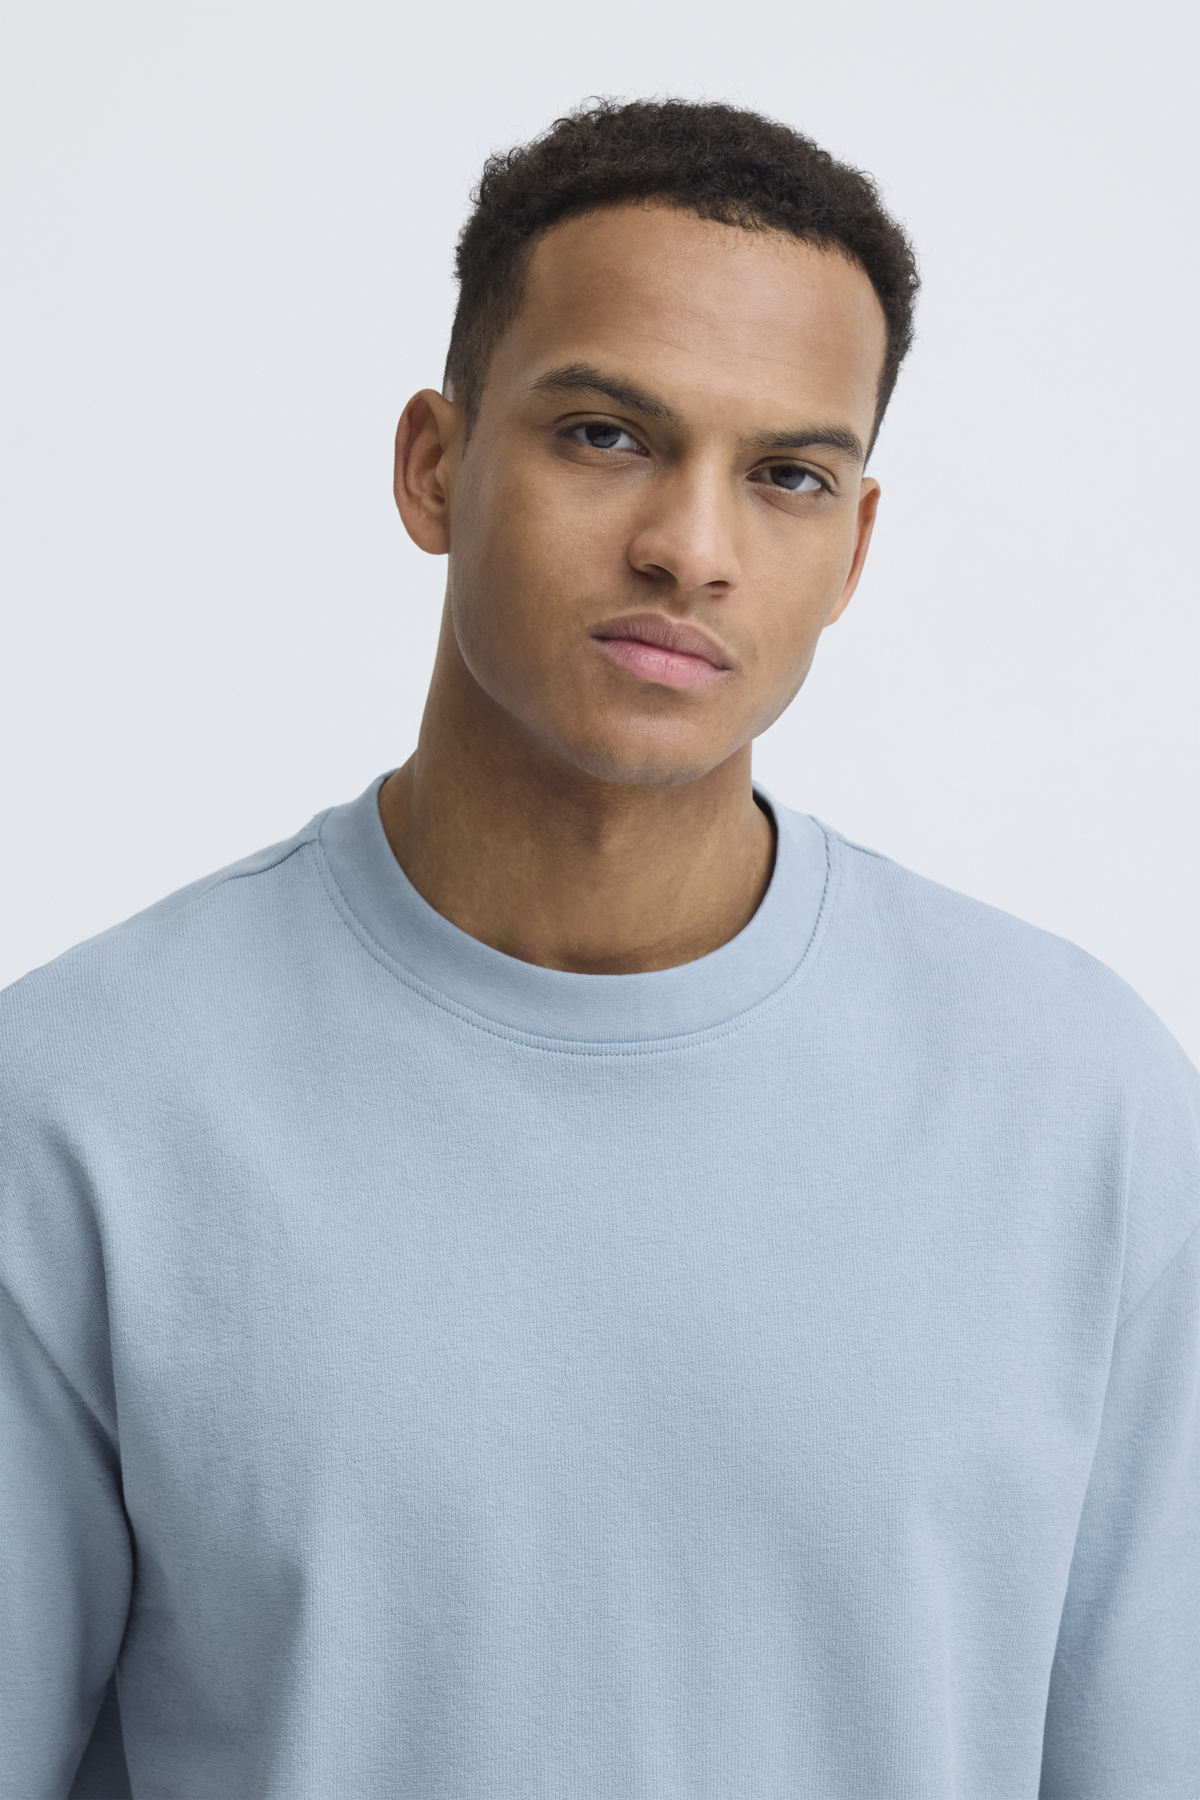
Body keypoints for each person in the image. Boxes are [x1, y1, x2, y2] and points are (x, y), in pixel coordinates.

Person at [1, 97, 1196, 1800]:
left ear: (853, 549)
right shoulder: (80, 1106)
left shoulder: (1083, 1108)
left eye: (787, 476)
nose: (691, 550)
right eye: (607, 434)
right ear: (434, 464)